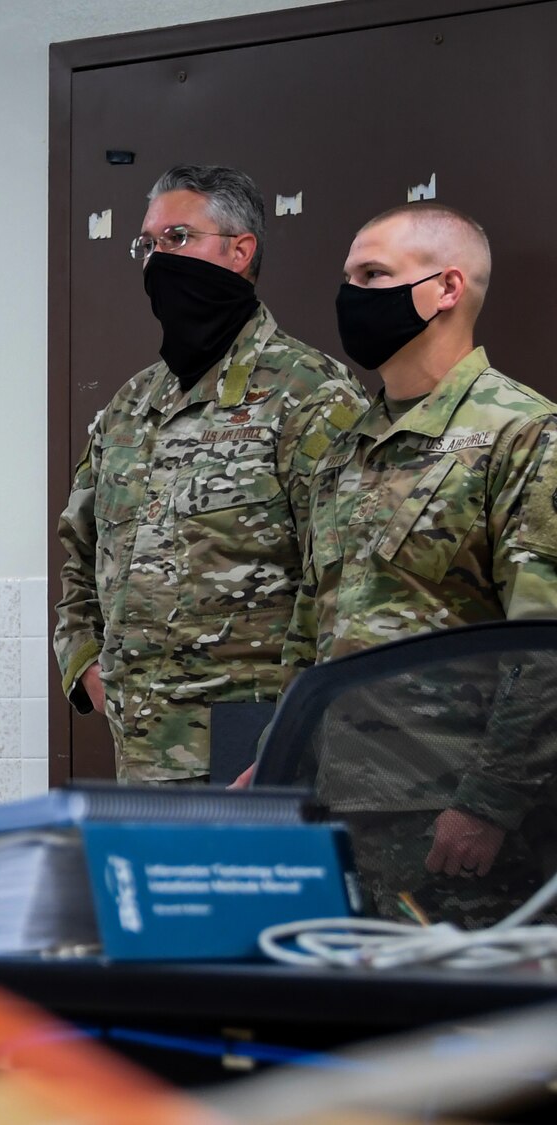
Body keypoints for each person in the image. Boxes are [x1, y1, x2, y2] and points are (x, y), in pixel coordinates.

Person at [53, 165, 365, 783]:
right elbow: (79, 547)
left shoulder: (311, 394)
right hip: (139, 748)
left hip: (255, 752)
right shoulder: (131, 405)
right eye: (148, 244)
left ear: (240, 250)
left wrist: (292, 740)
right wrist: (83, 657)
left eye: (178, 238)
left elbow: (345, 583)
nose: (157, 260)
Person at [294, 202, 557, 925]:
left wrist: (488, 803)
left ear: (446, 289)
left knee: (463, 1033)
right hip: (334, 813)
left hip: (458, 826)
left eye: (372, 273)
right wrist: (275, 759)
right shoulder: (347, 450)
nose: (349, 293)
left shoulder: (524, 434)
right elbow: (310, 634)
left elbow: (545, 646)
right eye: (347, 275)